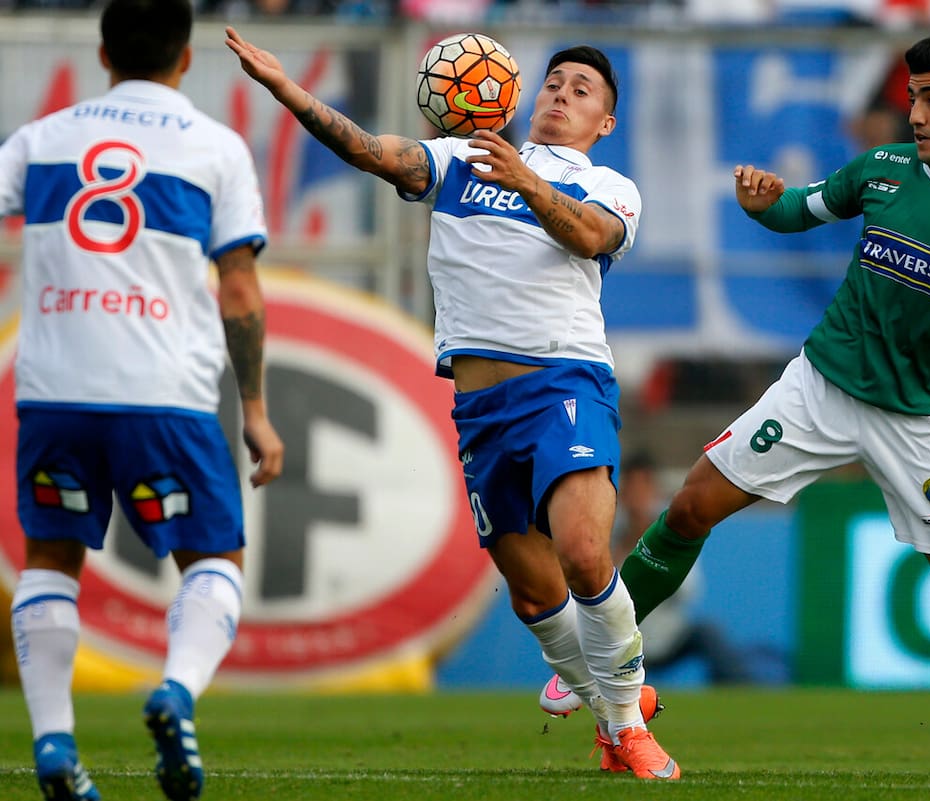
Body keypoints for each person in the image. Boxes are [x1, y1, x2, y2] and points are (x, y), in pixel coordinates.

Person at [544, 35, 930, 782]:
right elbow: (803, 208)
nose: (913, 112)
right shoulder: (881, 171)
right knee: (691, 506)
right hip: (821, 386)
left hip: (921, 421)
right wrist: (764, 205)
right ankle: (597, 661)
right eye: (911, 96)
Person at [225, 29, 679, 780]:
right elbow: (372, 150)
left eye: (582, 91)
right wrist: (287, 90)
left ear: (605, 123)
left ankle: (631, 726)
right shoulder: (459, 160)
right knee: (533, 590)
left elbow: (590, 235)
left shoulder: (609, 185)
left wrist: (531, 184)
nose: (562, 95)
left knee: (585, 550)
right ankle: (608, 711)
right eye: (555, 83)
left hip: (565, 381)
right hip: (480, 408)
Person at [0, 2, 285, 800]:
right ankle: (176, 688)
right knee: (213, 559)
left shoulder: (41, 139)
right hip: (166, 397)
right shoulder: (214, 148)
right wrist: (255, 407)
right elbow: (238, 288)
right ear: (186, 58)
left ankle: (55, 742)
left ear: (102, 51)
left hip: (54, 391)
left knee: (52, 557)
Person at [612, 452, 749, 684]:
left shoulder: (672, 532)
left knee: (709, 633)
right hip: (619, 641)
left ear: (653, 492)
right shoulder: (607, 536)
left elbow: (689, 590)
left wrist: (652, 557)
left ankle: (737, 696)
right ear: (622, 494)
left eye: (643, 489)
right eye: (631, 489)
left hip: (669, 636)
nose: (637, 497)